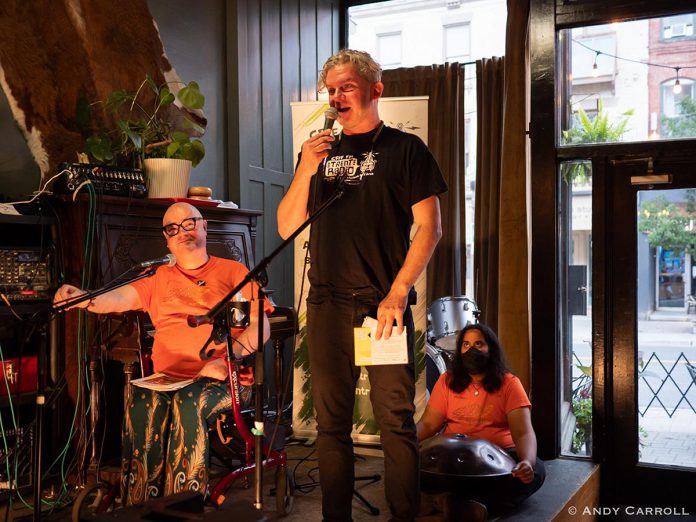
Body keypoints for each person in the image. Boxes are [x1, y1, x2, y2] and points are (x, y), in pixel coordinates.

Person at [277, 49, 447, 521]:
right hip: (327, 304)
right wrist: (307, 168)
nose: (335, 97)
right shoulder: (317, 153)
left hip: (381, 307)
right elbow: (287, 227)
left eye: (346, 87)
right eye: (330, 90)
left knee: (395, 424)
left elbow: (430, 229)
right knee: (330, 426)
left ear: (376, 89)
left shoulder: (405, 150)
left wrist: (397, 293)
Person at [53, 202, 272, 504]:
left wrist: (227, 358)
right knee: (140, 398)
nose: (182, 232)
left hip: (224, 380)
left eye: (189, 223)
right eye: (173, 228)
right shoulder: (158, 277)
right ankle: (141, 500)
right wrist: (84, 299)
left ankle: (184, 500)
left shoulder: (234, 271)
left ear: (204, 226)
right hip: (167, 378)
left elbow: (262, 326)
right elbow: (116, 299)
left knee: (188, 401)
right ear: (166, 238)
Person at [416, 323, 545, 519]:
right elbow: (428, 424)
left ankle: (450, 502)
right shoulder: (447, 381)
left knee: (536, 471)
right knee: (410, 467)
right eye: (466, 344)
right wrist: (404, 443)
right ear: (459, 350)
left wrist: (527, 461)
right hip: (453, 456)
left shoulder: (509, 383)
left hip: (498, 457)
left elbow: (523, 432)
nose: (471, 349)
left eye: (479, 344)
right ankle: (469, 504)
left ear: (491, 349)